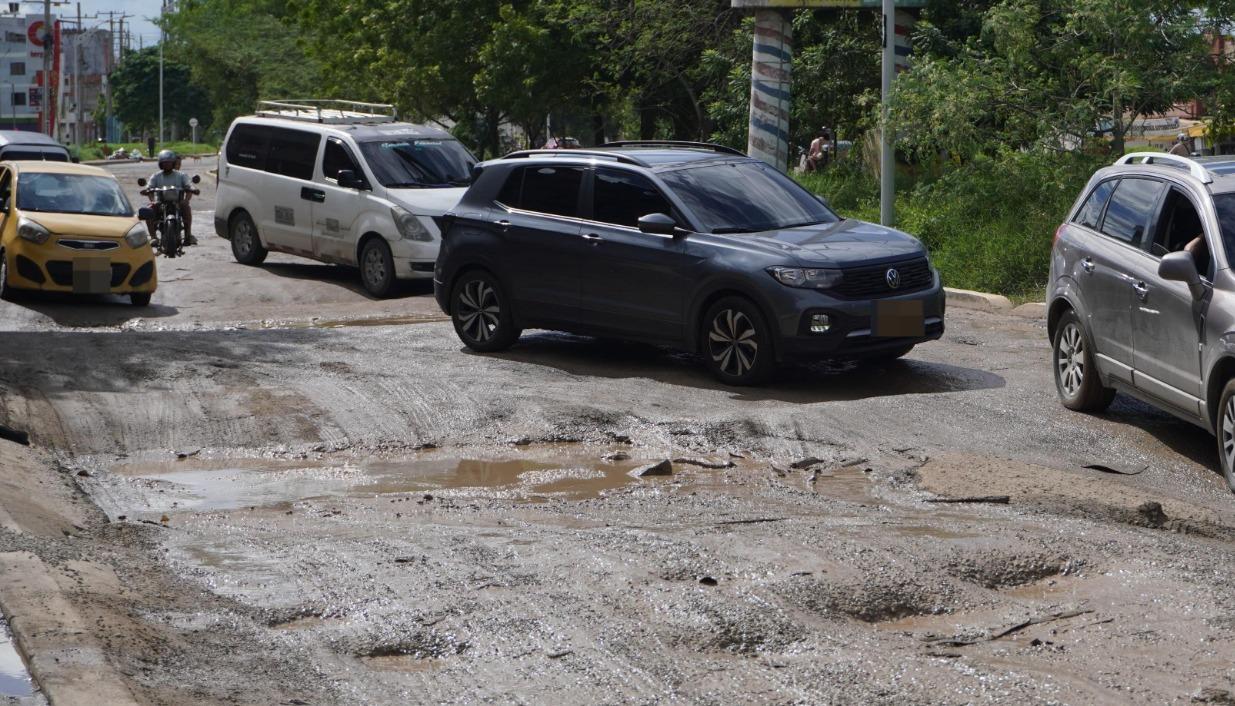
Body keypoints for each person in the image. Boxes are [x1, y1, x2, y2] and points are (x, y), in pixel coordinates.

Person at [140, 149, 199, 246]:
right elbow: (149, 188)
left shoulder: (181, 175)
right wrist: (152, 199)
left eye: (169, 163)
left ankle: (188, 235)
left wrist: (187, 199)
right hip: (160, 203)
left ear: (173, 163)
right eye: (164, 163)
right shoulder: (156, 176)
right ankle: (153, 237)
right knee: (149, 210)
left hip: (178, 203)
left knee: (187, 208)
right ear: (161, 164)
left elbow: (189, 185)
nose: (167, 165)